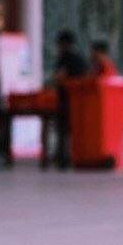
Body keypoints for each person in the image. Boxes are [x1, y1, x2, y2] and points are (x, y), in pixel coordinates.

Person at [48, 32, 89, 168]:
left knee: (63, 130)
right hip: (81, 99)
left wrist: (50, 83)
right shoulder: (80, 59)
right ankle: (76, 155)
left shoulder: (65, 58)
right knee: (74, 130)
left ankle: (62, 157)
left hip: (66, 99)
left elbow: (60, 76)